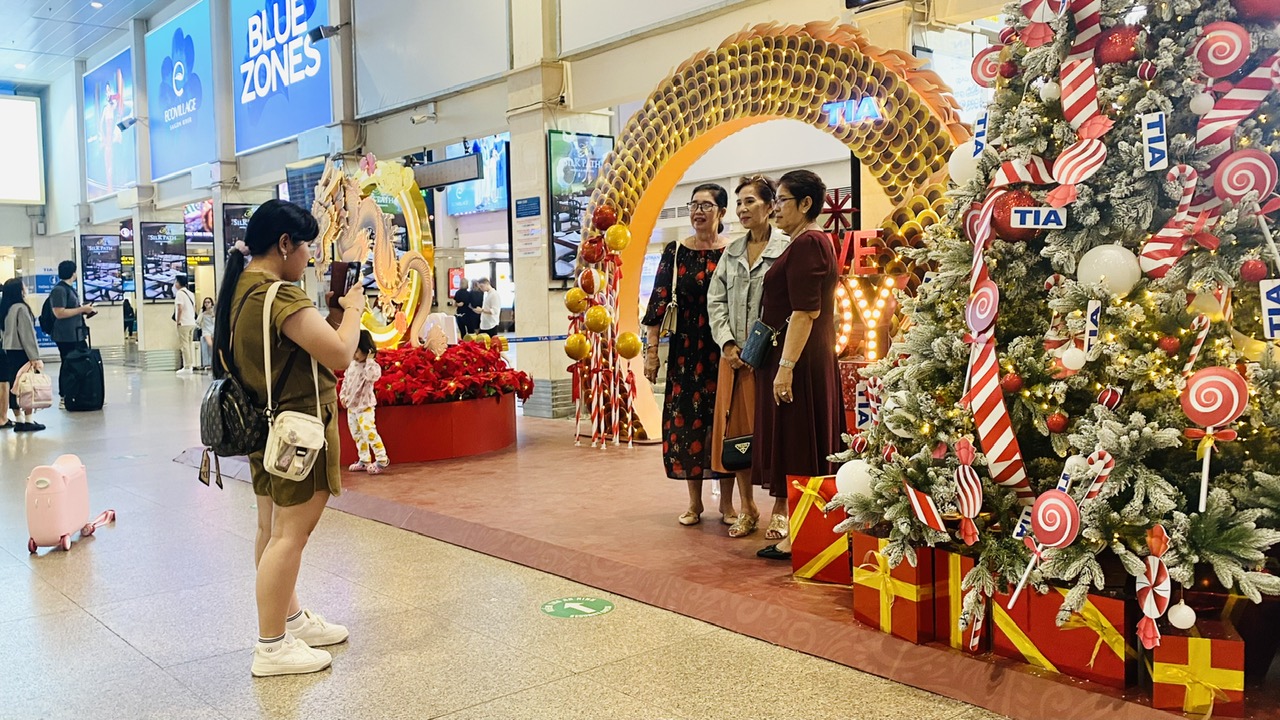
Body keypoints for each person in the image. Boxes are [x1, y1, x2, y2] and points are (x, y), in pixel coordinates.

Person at [213, 199, 366, 677]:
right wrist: (354, 310)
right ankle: (272, 645)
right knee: (290, 537)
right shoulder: (279, 296)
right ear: (284, 245)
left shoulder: (240, 288)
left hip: (265, 429)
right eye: (307, 249)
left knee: (271, 530)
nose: (311, 260)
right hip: (297, 433)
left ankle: (289, 619)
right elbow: (341, 353)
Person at [753, 170, 845, 561]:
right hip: (806, 357)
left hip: (801, 361)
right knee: (800, 442)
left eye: (782, 200)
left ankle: (802, 536)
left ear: (806, 204)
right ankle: (801, 530)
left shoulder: (809, 244)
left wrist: (786, 367)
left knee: (800, 444)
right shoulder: (809, 243)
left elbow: (805, 312)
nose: (775, 208)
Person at [642, 183, 738, 527]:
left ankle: (728, 505)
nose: (698, 212)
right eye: (694, 205)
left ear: (722, 212)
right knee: (686, 428)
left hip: (724, 351)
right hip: (685, 354)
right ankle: (695, 504)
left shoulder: (734, 252)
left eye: (706, 206)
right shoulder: (676, 252)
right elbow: (657, 305)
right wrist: (652, 354)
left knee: (724, 426)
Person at [707, 175, 789, 538]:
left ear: (771, 206)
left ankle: (781, 510)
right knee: (737, 435)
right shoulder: (732, 252)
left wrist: (762, 352)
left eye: (750, 201)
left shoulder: (788, 247)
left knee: (777, 435)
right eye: (739, 202)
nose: (742, 209)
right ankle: (747, 508)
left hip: (772, 361)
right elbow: (716, 301)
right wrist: (727, 344)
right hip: (735, 360)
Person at [341, 330, 390, 475]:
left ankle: (381, 458)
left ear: (367, 350)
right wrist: (343, 395)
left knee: (369, 432)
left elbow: (372, 376)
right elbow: (346, 380)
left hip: (365, 407)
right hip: (352, 407)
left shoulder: (372, 366)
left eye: (357, 351)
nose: (354, 355)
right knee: (357, 434)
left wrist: (369, 359)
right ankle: (364, 459)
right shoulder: (352, 364)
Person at [1, 278, 46, 432]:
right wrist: (35, 357)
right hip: (22, 351)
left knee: (14, 385)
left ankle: (18, 419)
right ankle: (28, 420)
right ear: (18, 290)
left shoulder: (5, 308)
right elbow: (27, 335)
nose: (26, 288)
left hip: (8, 350)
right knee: (26, 385)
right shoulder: (21, 308)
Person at [50, 260, 92, 402]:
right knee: (68, 363)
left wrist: (84, 311)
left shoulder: (70, 288)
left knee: (81, 363)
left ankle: (79, 393)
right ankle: (65, 395)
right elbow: (59, 313)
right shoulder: (59, 290)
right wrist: (81, 309)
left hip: (76, 333)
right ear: (73, 273)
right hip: (65, 336)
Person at [174, 275, 198, 375]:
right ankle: (190, 365)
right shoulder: (191, 293)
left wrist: (178, 321)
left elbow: (180, 308)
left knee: (184, 345)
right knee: (188, 344)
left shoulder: (180, 293)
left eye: (175, 282)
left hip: (183, 323)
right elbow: (193, 307)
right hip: (191, 322)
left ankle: (187, 366)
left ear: (179, 283)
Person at [198, 296, 216, 370]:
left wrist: (212, 314)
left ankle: (214, 362)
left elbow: (215, 321)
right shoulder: (202, 311)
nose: (206, 304)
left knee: (215, 345)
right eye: (205, 302)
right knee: (210, 344)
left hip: (213, 329)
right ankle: (210, 362)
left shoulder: (214, 311)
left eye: (208, 302)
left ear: (211, 303)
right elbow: (198, 321)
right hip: (206, 330)